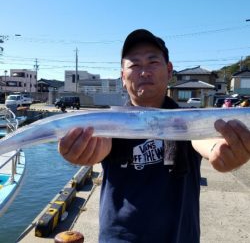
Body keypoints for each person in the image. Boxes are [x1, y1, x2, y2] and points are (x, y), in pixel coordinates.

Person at [58, 29, 250, 243]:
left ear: (169, 71)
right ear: (123, 77)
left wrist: (221, 151)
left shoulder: (186, 122)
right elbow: (102, 144)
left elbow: (204, 138)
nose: (144, 72)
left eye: (152, 62)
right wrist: (86, 151)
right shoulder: (111, 124)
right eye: (134, 65)